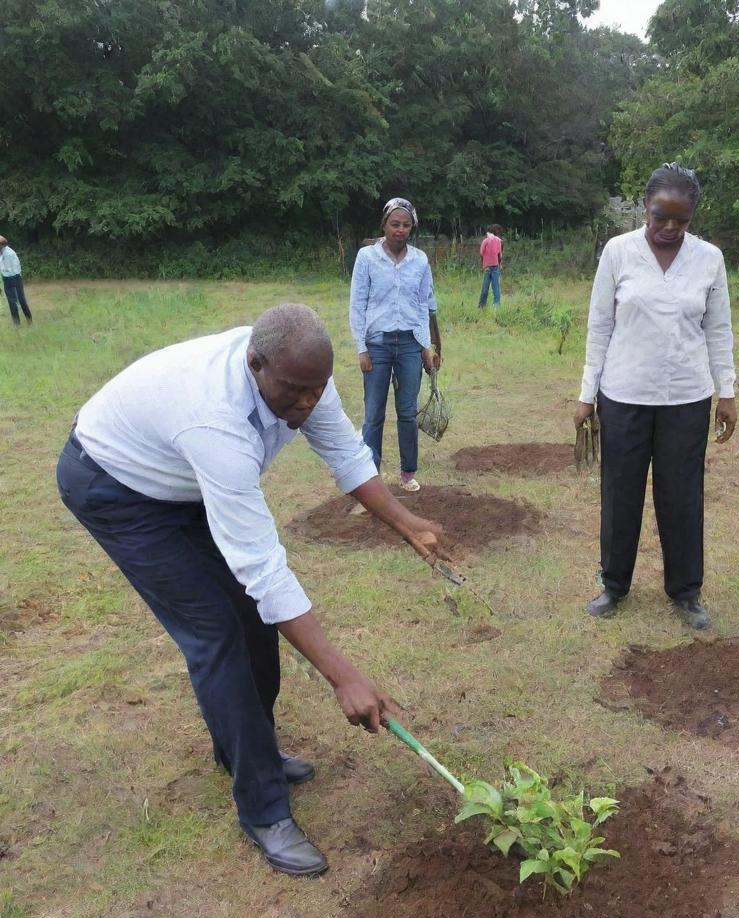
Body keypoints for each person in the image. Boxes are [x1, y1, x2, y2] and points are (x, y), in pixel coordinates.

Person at [56, 303, 450, 876]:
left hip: (181, 483)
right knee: (217, 633)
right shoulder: (214, 419)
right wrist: (345, 678)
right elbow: (263, 567)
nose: (307, 404)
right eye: (294, 392)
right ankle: (263, 810)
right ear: (254, 364)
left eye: (316, 390)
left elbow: (344, 452)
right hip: (116, 487)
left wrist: (407, 523)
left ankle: (248, 751)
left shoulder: (303, 374)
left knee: (256, 625)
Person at [574, 162, 737, 631]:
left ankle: (686, 591)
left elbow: (718, 328)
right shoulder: (618, 252)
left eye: (680, 220)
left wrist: (726, 392)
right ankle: (614, 585)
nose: (669, 228)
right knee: (620, 492)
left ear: (692, 217)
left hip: (687, 397)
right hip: (623, 395)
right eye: (659, 216)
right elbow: (600, 324)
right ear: (645, 208)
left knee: (682, 495)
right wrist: (587, 395)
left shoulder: (709, 259)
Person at [350, 198, 438, 493]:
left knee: (407, 410)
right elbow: (357, 304)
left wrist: (427, 347)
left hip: (411, 344)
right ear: (384, 225)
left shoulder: (420, 260)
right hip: (377, 344)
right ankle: (370, 475)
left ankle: (407, 472)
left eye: (406, 225)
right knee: (373, 411)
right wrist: (361, 348)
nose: (400, 230)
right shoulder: (366, 258)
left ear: (412, 227)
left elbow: (422, 305)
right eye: (395, 224)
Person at [0, 236, 32, 326]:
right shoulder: (0, 252)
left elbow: (16, 269)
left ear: (1, 245)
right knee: (11, 302)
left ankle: (29, 320)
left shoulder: (10, 254)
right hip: (6, 279)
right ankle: (16, 324)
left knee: (21, 301)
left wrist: (6, 270)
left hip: (15, 278)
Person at [479, 224, 503, 308]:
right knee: (496, 287)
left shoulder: (485, 241)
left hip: (488, 267)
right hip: (495, 267)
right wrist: (499, 265)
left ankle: (482, 306)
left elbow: (481, 253)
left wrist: (483, 265)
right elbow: (499, 255)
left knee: (485, 288)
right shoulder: (499, 241)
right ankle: (496, 306)